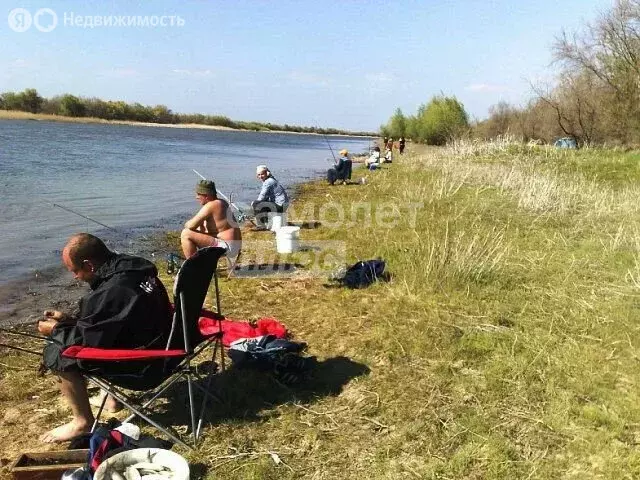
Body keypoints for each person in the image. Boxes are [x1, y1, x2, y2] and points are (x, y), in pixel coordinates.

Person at [38, 233, 173, 443]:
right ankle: (109, 398)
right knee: (85, 335)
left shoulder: (112, 290)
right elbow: (105, 322)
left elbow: (89, 339)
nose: (75, 277)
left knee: (58, 348)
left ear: (89, 265)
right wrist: (67, 320)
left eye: (75, 271)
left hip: (146, 366)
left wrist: (56, 330)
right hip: (163, 343)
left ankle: (81, 422)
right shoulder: (132, 268)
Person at [181, 180, 242, 269]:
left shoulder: (212, 205)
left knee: (186, 234)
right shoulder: (222, 202)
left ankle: (193, 269)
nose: (196, 197)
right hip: (235, 246)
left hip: (227, 247)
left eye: (198, 194)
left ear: (206, 195)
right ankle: (200, 265)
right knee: (197, 230)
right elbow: (212, 228)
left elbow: (191, 225)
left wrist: (186, 223)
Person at [252, 165, 289, 230]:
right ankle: (266, 222)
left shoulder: (268, 182)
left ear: (266, 173)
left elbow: (261, 197)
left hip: (280, 206)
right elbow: (266, 197)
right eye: (259, 175)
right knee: (261, 204)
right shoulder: (271, 179)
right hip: (283, 205)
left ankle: (261, 226)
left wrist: (254, 204)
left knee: (256, 204)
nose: (260, 176)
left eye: (262, 174)